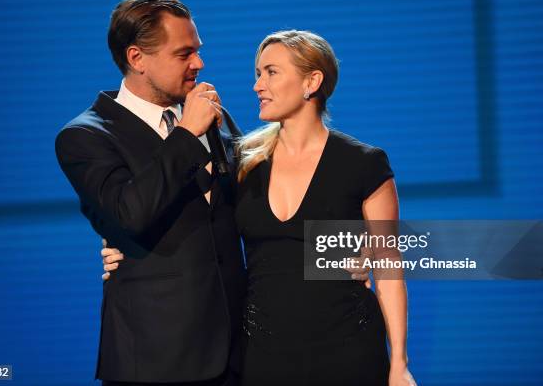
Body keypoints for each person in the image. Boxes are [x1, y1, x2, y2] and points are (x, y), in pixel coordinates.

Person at [101, 29, 414, 385]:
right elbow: (196, 218)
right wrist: (126, 247)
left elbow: (389, 267)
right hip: (262, 354)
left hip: (347, 346)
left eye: (271, 72)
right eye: (257, 73)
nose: (257, 86)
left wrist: (398, 364)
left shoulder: (364, 163)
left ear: (312, 81)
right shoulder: (243, 162)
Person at [55, 0, 246, 385]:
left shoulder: (211, 116)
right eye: (184, 54)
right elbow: (130, 213)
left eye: (198, 50)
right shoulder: (85, 136)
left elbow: (264, 207)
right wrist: (188, 133)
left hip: (237, 357)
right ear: (137, 58)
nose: (199, 64)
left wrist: (345, 251)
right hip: (157, 361)